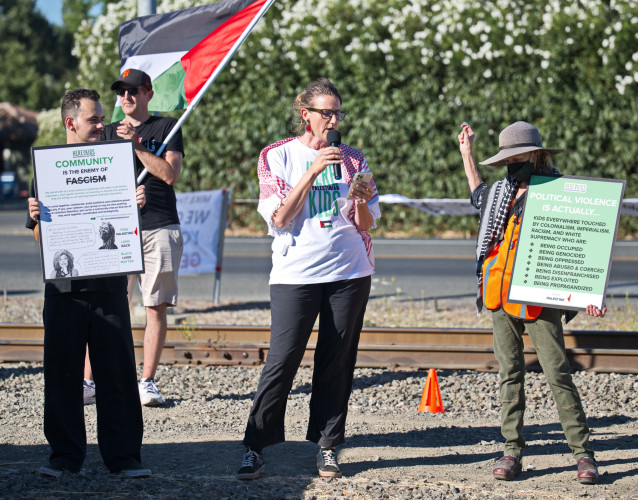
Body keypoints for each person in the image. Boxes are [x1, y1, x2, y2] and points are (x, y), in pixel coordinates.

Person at [236, 78, 380, 480]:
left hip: (349, 271)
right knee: (282, 360)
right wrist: (314, 170)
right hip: (296, 273)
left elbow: (366, 225)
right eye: (326, 113)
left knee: (336, 361)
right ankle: (254, 446)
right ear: (306, 115)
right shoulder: (277, 155)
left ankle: (328, 445)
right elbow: (280, 217)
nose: (334, 120)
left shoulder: (353, 158)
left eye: (338, 113)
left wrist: (361, 201)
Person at [458, 121, 606, 485]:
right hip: (497, 295)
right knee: (509, 373)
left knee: (558, 373)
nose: (511, 165)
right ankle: (512, 451)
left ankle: (583, 454)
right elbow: (478, 196)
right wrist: (467, 154)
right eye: (507, 159)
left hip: (539, 298)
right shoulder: (501, 192)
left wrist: (589, 294)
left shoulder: (562, 194)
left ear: (536, 156)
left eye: (517, 158)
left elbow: (582, 244)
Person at [27, 88, 150, 477]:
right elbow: (39, 238)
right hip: (64, 290)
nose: (102, 125)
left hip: (109, 285)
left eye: (101, 119)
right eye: (94, 119)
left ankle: (124, 457)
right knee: (63, 374)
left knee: (117, 374)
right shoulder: (48, 170)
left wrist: (134, 206)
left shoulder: (116, 164)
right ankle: (65, 458)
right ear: (71, 122)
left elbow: (125, 228)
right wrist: (40, 220)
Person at [100, 68, 184, 406]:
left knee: (154, 307)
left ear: (148, 93)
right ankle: (91, 380)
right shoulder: (107, 132)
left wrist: (135, 145)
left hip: (159, 225)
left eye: (133, 91)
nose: (126, 97)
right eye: (121, 92)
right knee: (106, 306)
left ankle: (146, 382)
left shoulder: (167, 128)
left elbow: (169, 174)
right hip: (116, 229)